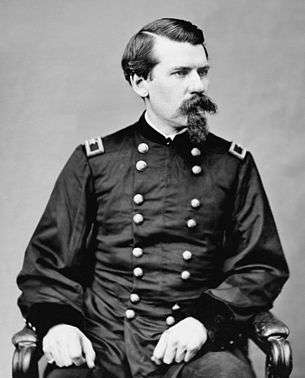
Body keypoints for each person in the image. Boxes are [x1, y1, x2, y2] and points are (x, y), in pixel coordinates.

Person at [16, 18, 289, 378]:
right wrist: (59, 324)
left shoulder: (232, 164)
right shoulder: (96, 160)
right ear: (140, 82)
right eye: (181, 73)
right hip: (105, 340)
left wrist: (204, 322)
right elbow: (47, 262)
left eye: (202, 72)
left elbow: (261, 265)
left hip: (197, 342)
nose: (198, 86)